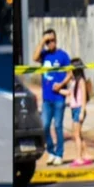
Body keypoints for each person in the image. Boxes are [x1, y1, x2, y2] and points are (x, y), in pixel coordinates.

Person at [32, 29, 71, 165]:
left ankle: (59, 153)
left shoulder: (63, 56)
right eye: (48, 41)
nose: (50, 43)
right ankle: (51, 151)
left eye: (52, 40)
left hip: (59, 97)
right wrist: (42, 42)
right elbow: (34, 57)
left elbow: (70, 73)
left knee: (58, 126)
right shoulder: (44, 55)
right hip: (47, 98)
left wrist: (61, 85)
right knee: (44, 126)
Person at [62, 59, 94, 167]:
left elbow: (84, 97)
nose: (69, 70)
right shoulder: (74, 81)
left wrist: (82, 111)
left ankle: (79, 158)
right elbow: (70, 93)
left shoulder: (81, 81)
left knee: (76, 135)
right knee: (77, 134)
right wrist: (58, 90)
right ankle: (86, 154)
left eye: (71, 67)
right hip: (74, 109)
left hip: (79, 109)